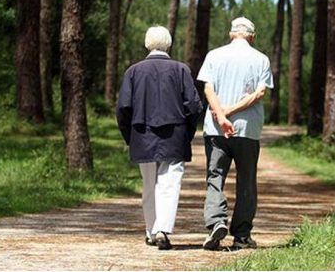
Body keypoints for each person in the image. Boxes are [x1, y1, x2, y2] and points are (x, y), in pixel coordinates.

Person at [116, 26, 203, 250]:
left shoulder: (133, 72)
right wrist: (187, 132)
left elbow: (124, 108)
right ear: (169, 44)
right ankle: (162, 229)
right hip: (174, 135)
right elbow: (193, 106)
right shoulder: (181, 70)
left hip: (142, 135)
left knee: (149, 185)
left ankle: (151, 230)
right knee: (170, 183)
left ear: (147, 44)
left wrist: (130, 137)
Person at [197, 17, 274, 250]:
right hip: (247, 130)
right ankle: (241, 236)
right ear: (252, 36)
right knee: (247, 181)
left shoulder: (214, 55)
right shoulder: (261, 59)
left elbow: (207, 87)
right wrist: (232, 111)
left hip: (215, 129)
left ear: (232, 34)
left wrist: (221, 115)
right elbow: (260, 94)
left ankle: (216, 223)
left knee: (215, 177)